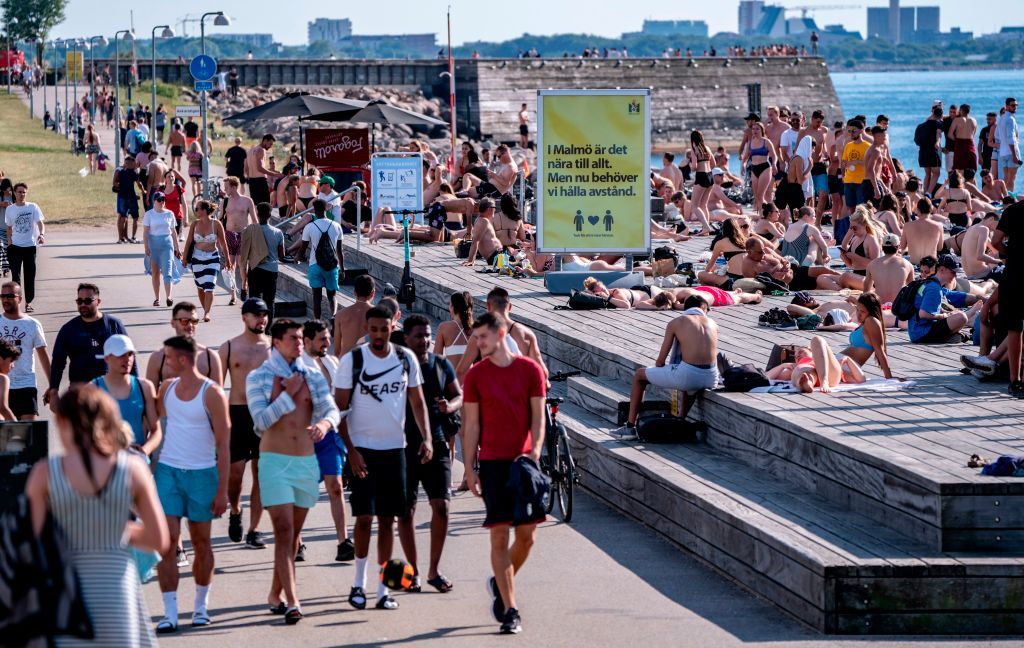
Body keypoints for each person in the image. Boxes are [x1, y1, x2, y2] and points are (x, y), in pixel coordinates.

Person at [25, 385, 169, 647]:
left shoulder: (44, 473)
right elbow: (159, 539)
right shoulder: (131, 468)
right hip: (117, 588)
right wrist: (114, 527)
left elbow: (33, 543)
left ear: (62, 421)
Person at [334, 306, 432, 612]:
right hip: (363, 451)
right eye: (373, 329)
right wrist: (350, 451)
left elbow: (417, 402)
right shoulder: (353, 361)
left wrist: (427, 437)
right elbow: (339, 411)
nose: (378, 335)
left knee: (389, 521)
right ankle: (358, 585)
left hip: (395, 450)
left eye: (384, 329)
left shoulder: (405, 359)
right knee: (364, 519)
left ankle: (382, 590)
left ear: (393, 326)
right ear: (367, 328)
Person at [246, 319, 341, 624]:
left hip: (305, 462)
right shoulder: (259, 377)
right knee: (284, 531)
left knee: (292, 535)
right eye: (292, 339)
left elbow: (331, 409)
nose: (299, 343)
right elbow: (260, 422)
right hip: (274, 461)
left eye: (301, 338)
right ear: (275, 341)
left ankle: (275, 593)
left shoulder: (311, 373)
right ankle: (293, 601)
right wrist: (288, 397)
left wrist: (325, 424)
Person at [461, 312, 546, 634]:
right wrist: (470, 467)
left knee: (527, 537)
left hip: (523, 462)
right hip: (493, 462)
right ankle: (511, 610)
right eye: (475, 338)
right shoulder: (475, 376)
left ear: (499, 334)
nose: (478, 343)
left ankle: (499, 582)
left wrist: (535, 451)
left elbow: (538, 417)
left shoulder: (529, 370)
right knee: (499, 533)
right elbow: (471, 425)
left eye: (482, 336)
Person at [153, 336, 230, 634]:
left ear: (183, 359)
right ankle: (169, 613)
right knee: (168, 542)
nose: (164, 360)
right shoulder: (166, 388)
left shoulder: (212, 394)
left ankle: (200, 607)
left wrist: (223, 490)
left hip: (202, 474)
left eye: (169, 357)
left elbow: (224, 445)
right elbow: (159, 430)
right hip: (169, 473)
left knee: (201, 542)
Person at [396, 315, 461, 592]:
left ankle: (434, 570)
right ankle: (414, 571)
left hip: (437, 442)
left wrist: (451, 406)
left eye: (427, 335)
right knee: (406, 512)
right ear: (406, 339)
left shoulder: (441, 364)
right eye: (418, 336)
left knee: (442, 507)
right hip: (403, 446)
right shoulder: (396, 367)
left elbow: (459, 396)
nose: (424, 340)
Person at [219, 298, 272, 549]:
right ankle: (236, 510)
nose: (261, 318)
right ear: (244, 318)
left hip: (265, 416)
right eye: (256, 314)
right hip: (237, 414)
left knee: (262, 475)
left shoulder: (273, 347)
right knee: (235, 476)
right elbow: (217, 388)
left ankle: (254, 529)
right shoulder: (229, 347)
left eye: (264, 315)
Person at [299, 319, 354, 562]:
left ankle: (343, 541)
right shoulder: (297, 365)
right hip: (303, 438)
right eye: (322, 339)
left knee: (335, 485)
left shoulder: (333, 362)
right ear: (307, 340)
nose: (328, 343)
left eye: (328, 338)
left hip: (330, 434)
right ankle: (297, 542)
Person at [623, 295, 719, 432]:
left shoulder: (676, 322)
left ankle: (630, 427)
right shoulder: (713, 324)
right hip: (711, 377)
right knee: (687, 374)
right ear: (703, 308)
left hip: (688, 377)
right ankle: (680, 419)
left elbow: (660, 361)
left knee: (639, 375)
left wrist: (665, 369)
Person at [47, 283, 130, 412]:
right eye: (79, 301)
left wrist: (134, 388)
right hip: (80, 393)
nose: (83, 304)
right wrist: (53, 392)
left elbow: (129, 357)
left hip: (110, 392)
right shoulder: (68, 329)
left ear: (98, 302)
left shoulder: (114, 325)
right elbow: (58, 362)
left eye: (87, 301)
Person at [92, 334, 161, 456]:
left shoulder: (144, 387)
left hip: (137, 464)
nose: (127, 359)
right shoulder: (92, 389)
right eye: (121, 355)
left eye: (130, 354)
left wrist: (144, 451)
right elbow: (84, 435)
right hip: (106, 464)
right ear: (107, 358)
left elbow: (156, 431)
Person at [0, 280, 50, 420]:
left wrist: (53, 385)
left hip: (26, 384)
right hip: (1, 385)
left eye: (10, 296)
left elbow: (43, 356)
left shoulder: (32, 324)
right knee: (5, 437)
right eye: (2, 296)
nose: (5, 299)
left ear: (20, 299)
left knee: (28, 434)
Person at [908, 254, 983, 344]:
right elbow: (923, 314)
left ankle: (952, 335)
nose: (955, 276)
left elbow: (960, 297)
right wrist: (945, 316)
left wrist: (983, 299)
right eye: (953, 272)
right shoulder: (933, 288)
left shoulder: (931, 283)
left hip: (916, 331)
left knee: (957, 314)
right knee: (961, 317)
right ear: (942, 269)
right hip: (921, 333)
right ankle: (960, 324)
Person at [145, 302, 223, 389]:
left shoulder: (210, 357)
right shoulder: (158, 357)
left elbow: (218, 396)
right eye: (184, 321)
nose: (190, 325)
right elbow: (150, 398)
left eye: (194, 321)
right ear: (173, 323)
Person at [990, 200, 1023, 397]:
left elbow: (995, 241)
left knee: (1015, 328)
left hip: (1015, 273)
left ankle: (1015, 379)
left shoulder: (1012, 211)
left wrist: (1009, 253)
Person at [295, 199, 344, 320]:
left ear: (314, 210)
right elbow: (339, 251)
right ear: (326, 209)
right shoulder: (336, 226)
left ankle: (317, 322)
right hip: (332, 266)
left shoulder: (310, 226)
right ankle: (334, 318)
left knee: (317, 298)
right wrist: (342, 269)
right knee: (332, 296)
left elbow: (303, 247)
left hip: (315, 265)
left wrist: (297, 258)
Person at [240, 202, 285, 325]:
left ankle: (255, 326)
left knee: (254, 300)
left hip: (255, 269)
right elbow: (282, 256)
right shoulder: (278, 232)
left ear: (258, 214)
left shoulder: (249, 230)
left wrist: (243, 283)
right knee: (269, 301)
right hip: (272, 270)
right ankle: (268, 330)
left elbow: (244, 253)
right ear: (270, 215)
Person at [184, 200, 230, 322]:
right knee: (200, 287)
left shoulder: (217, 224)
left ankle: (207, 313)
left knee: (209, 286)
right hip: (197, 258)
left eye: (197, 209)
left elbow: (223, 244)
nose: (196, 211)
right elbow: (189, 242)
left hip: (212, 258)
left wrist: (227, 260)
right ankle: (206, 309)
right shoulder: (195, 224)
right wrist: (184, 258)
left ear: (204, 210)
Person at [767, 337, 866, 393]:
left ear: (812, 351)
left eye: (801, 352)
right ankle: (806, 383)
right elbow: (767, 377)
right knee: (803, 370)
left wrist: (848, 360)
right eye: (796, 357)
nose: (798, 356)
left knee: (817, 339)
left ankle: (817, 381)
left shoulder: (826, 362)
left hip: (828, 376)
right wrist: (782, 366)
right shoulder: (796, 366)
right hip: (805, 371)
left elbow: (861, 378)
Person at [5, 183, 44, 311]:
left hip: (30, 247)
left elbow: (40, 223)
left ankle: (28, 303)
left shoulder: (33, 207)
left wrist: (41, 234)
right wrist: (9, 242)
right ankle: (16, 302)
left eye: (24, 192)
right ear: (14, 193)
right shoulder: (10, 209)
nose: (22, 194)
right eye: (19, 192)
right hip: (15, 247)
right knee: (15, 277)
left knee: (29, 276)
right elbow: (9, 228)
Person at [142, 192, 182, 308]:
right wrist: (146, 247)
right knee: (155, 272)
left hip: (167, 245)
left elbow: (173, 231)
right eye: (159, 199)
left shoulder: (169, 214)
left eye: (163, 199)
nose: (162, 202)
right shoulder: (149, 214)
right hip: (153, 245)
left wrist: (177, 247)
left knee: (167, 271)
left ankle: (169, 297)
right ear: (154, 201)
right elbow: (145, 232)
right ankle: (157, 298)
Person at [222, 177, 258, 304]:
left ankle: (244, 285)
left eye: (226, 187)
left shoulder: (247, 201)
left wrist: (256, 235)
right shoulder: (225, 202)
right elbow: (220, 220)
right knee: (230, 265)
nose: (225, 190)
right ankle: (233, 295)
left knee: (243, 266)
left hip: (244, 234)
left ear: (233, 187)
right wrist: (218, 237)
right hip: (229, 235)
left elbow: (254, 220)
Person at [840, 119, 871, 241]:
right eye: (849, 131)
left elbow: (870, 164)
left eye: (854, 131)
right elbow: (843, 162)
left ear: (861, 131)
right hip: (849, 181)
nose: (851, 133)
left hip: (861, 181)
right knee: (850, 208)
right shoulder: (848, 145)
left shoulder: (867, 146)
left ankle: (864, 233)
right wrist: (843, 175)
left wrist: (857, 162)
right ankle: (853, 233)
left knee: (862, 209)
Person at [863, 233, 915, 304]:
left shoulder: (872, 264)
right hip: (898, 307)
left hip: (880, 306)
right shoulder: (907, 264)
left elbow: (866, 290)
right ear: (898, 247)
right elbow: (912, 289)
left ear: (882, 247)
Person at [334, 275, 376, 357]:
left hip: (347, 362)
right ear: (372, 293)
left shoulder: (340, 315)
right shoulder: (379, 314)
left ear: (354, 292)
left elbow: (337, 350)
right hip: (368, 363)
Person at [956, 213, 1003, 280]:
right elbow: (980, 256)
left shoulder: (971, 228)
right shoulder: (984, 229)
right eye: (998, 224)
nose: (998, 228)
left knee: (995, 255)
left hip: (968, 274)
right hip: (981, 274)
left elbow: (995, 250)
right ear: (991, 219)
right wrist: (999, 262)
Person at [900, 199, 945, 265]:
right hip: (930, 266)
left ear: (917, 210)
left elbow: (902, 246)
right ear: (931, 209)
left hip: (913, 265)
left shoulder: (907, 226)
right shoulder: (939, 226)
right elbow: (940, 248)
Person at [461, 198, 505, 266]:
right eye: (494, 207)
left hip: (497, 255)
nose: (495, 210)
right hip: (496, 256)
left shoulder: (481, 220)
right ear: (489, 209)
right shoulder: (483, 221)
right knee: (523, 260)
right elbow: (475, 241)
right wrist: (471, 260)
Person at [688, 130, 716, 236]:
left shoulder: (694, 149)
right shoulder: (707, 148)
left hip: (701, 176)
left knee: (694, 205)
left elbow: (694, 167)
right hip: (710, 176)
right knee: (703, 205)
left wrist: (691, 166)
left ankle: (706, 226)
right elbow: (714, 163)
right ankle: (706, 229)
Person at [247, 134, 279, 206]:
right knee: (265, 206)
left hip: (252, 181)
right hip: (260, 181)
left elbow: (246, 167)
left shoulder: (251, 150)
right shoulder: (261, 150)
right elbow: (260, 168)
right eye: (270, 143)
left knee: (256, 205)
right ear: (265, 141)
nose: (270, 146)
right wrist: (274, 174)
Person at [996, 97, 1019, 192]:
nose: (1015, 108)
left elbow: (997, 135)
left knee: (1006, 179)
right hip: (1010, 153)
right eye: (1013, 105)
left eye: (1016, 105)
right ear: (1007, 106)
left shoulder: (1001, 119)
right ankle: (1011, 201)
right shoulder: (1010, 119)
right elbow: (1011, 138)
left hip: (1003, 152)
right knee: (1011, 180)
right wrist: (1014, 155)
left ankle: (1004, 198)